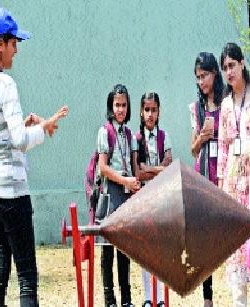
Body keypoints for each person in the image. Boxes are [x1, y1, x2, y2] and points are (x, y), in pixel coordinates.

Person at [0, 7, 68, 306]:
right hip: (12, 191)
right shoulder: (5, 83)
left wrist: (30, 125)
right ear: (0, 44)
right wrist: (44, 128)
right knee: (27, 276)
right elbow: (18, 141)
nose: (16, 50)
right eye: (14, 42)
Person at [217, 42, 250, 306]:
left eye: (232, 65)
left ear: (242, 63)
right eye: (225, 68)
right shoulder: (225, 105)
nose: (229, 72)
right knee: (234, 245)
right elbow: (221, 148)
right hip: (232, 179)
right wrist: (220, 187)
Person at [96, 84, 140, 307]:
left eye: (124, 105)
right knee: (107, 249)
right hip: (110, 192)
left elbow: (134, 168)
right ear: (111, 107)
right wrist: (124, 181)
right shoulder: (105, 131)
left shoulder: (130, 134)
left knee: (124, 249)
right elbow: (103, 167)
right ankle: (109, 300)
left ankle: (126, 300)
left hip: (126, 194)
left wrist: (136, 182)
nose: (120, 109)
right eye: (117, 105)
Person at [189, 52, 224, 307]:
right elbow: (192, 148)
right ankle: (208, 298)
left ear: (215, 73)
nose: (202, 81)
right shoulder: (196, 107)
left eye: (205, 75)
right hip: (202, 174)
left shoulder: (227, 102)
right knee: (202, 238)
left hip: (224, 171)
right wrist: (202, 137)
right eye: (198, 77)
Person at [132, 91, 172, 307]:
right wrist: (154, 170)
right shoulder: (136, 139)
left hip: (163, 197)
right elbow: (137, 172)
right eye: (146, 110)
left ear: (158, 112)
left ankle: (162, 297)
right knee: (146, 249)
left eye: (153, 110)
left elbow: (169, 166)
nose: (150, 114)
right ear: (140, 111)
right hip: (144, 197)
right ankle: (149, 297)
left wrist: (152, 168)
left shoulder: (164, 136)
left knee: (162, 247)